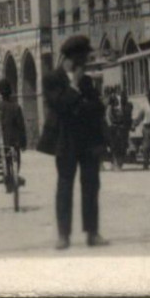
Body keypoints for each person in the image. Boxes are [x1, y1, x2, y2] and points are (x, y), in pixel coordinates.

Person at [39, 34, 108, 249]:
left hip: (87, 141)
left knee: (91, 186)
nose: (86, 62)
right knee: (65, 186)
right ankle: (63, 235)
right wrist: (75, 88)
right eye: (84, 57)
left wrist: (80, 102)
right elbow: (59, 105)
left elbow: (98, 108)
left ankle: (92, 233)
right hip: (65, 141)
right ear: (74, 58)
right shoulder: (52, 79)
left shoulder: (87, 81)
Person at [0, 79, 28, 194]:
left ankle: (8, 180)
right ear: (10, 92)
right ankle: (14, 177)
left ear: (0, 93)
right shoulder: (16, 107)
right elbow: (21, 126)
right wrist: (23, 142)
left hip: (1, 142)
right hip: (14, 141)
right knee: (15, 160)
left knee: (5, 160)